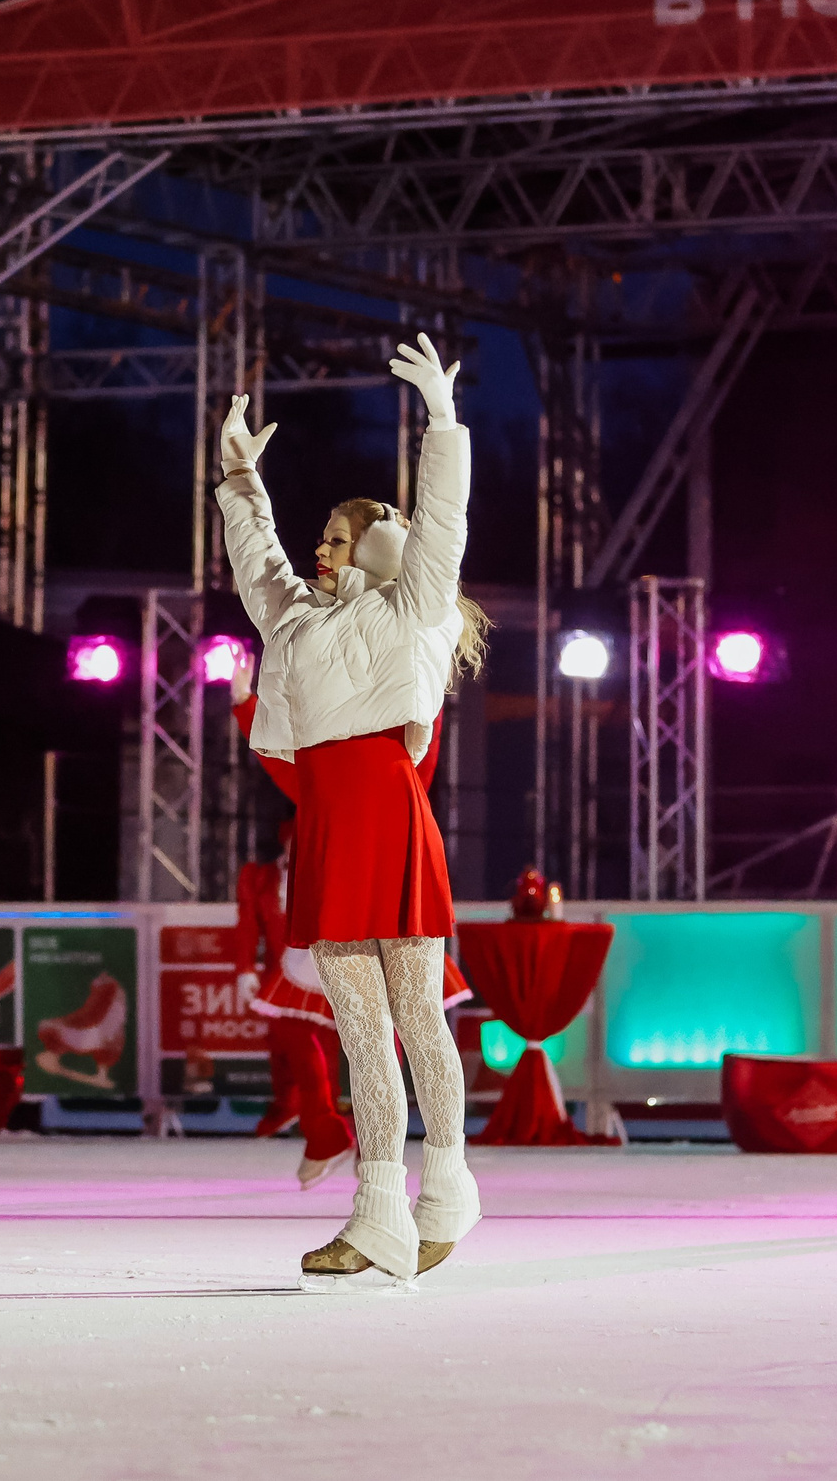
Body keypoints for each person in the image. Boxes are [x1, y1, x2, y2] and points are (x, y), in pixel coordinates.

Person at [214, 336, 489, 1283]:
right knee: (362, 1028)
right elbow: (258, 560)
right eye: (319, 536)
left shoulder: (412, 608)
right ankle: (379, 1209)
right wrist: (241, 481)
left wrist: (442, 423)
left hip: (384, 803)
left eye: (335, 536)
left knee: (418, 1013)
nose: (319, 549)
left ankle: (444, 1185)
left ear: (373, 546)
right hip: (326, 818)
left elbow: (442, 523)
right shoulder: (293, 617)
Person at [230, 658, 475, 1193]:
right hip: (345, 874)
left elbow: (418, 753)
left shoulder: (400, 744)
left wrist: (426, 685)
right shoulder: (328, 751)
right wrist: (248, 706)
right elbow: (284, 761)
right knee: (365, 1038)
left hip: (390, 865)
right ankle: (375, 1177)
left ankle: (438, 1176)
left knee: (409, 1024)